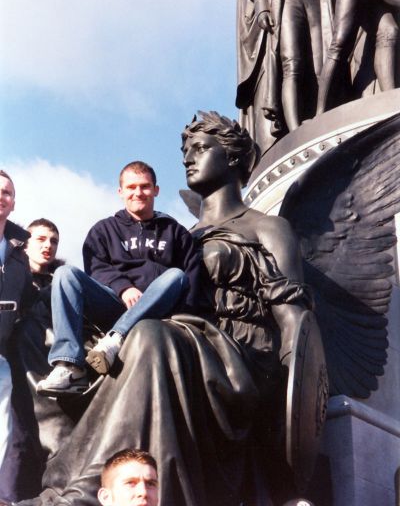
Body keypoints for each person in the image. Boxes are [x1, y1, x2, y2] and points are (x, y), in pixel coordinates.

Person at [17, 115, 312, 506]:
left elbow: (296, 320)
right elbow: (103, 271)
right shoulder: (184, 234)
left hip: (235, 353)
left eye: (201, 148)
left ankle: (97, 488)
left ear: (233, 157)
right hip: (180, 334)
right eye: (185, 150)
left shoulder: (267, 227)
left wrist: (286, 402)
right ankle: (52, 466)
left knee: (149, 336)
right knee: (44, 322)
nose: (189, 158)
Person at [37, 161, 200, 396]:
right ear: (120, 191)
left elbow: (191, 279)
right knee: (65, 274)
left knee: (176, 275)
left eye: (145, 186)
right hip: (113, 304)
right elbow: (96, 268)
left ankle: (115, 339)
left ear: (156, 190)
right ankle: (69, 367)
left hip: (156, 310)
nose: (138, 193)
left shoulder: (175, 232)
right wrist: (123, 287)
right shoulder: (103, 230)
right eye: (131, 187)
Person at [236, 0, 339, 147]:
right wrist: (262, 6)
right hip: (286, 0)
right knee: (291, 63)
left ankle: (323, 116)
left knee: (322, 61)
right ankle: (295, 129)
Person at [0, 171, 33, 502]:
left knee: (3, 432)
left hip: (1, 355)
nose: (1, 196)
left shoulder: (19, 253)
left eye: (7, 193)